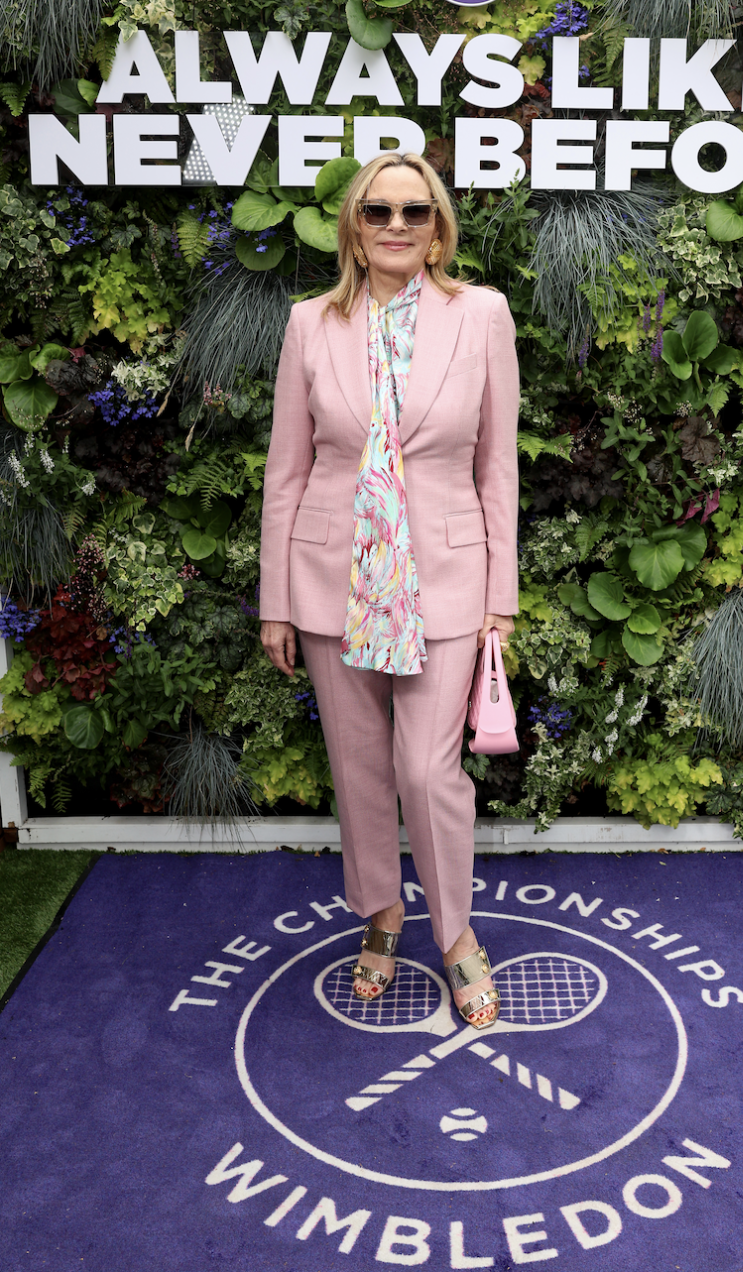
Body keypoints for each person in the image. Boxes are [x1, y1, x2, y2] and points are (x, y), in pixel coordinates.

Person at [259, 152, 519, 1031]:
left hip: (446, 578)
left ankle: (457, 937)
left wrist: (502, 596)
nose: (397, 226)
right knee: (361, 771)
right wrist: (276, 600)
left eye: (416, 212)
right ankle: (382, 917)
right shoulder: (308, 325)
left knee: (424, 769)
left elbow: (498, 466)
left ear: (439, 229)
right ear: (354, 229)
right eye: (379, 212)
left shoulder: (481, 316)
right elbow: (286, 472)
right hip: (333, 579)